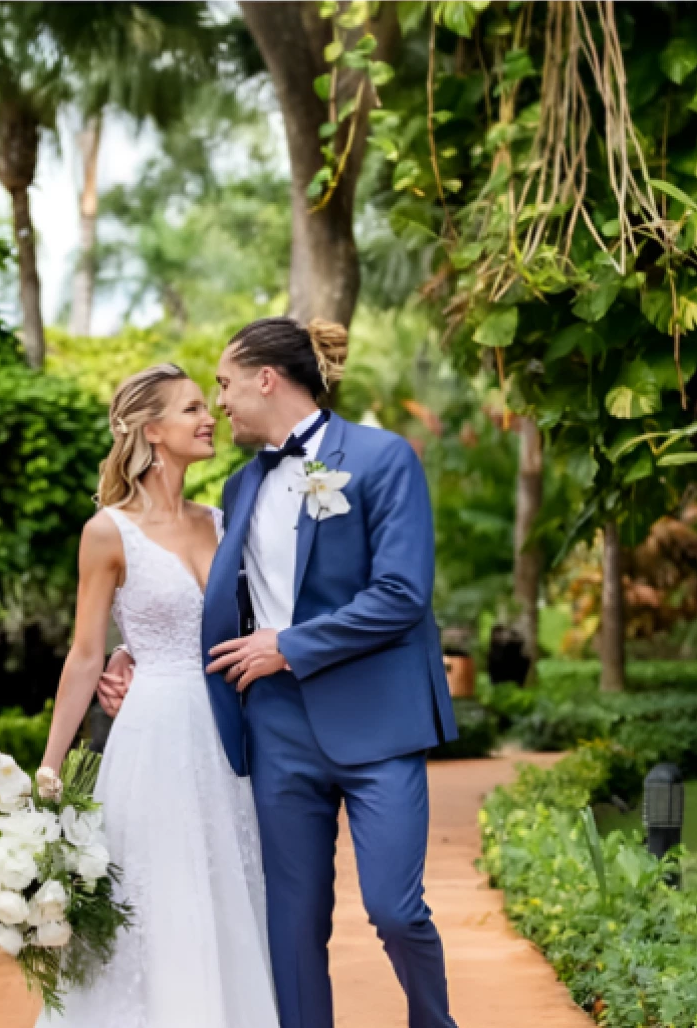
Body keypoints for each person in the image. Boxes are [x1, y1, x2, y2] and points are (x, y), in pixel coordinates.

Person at [100, 317, 460, 1028]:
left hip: (378, 721)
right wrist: (132, 648)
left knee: (394, 906)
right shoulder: (238, 487)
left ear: (268, 379)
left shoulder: (385, 458)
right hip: (275, 729)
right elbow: (206, 592)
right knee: (291, 926)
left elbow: (401, 595)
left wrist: (287, 645)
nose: (220, 401)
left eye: (226, 384)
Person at [32, 363, 278, 1028]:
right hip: (154, 737)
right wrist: (51, 766)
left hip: (229, 733)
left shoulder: (227, 519)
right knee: (160, 900)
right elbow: (85, 654)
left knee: (228, 889)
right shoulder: (108, 531)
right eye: (192, 408)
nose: (209, 418)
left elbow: (251, 623)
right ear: (151, 431)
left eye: (208, 404)